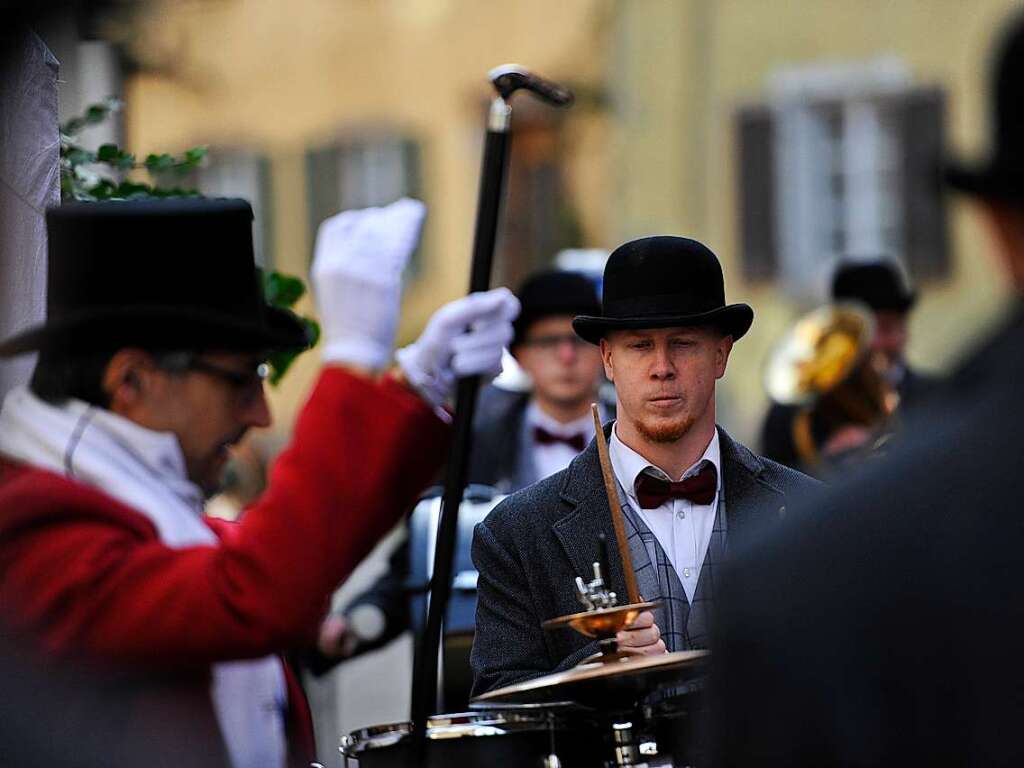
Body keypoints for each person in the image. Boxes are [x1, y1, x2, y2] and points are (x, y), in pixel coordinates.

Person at [0, 197, 518, 768]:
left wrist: (417, 385)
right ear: (131, 381)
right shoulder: (29, 524)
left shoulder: (111, 491)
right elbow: (255, 591)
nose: (261, 415)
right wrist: (349, 364)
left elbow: (286, 548)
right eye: (242, 381)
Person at [713, 13, 1024, 766]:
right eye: (869, 325)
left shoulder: (795, 588)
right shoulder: (801, 418)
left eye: (891, 324)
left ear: (994, 224)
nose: (882, 340)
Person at [470, 236, 820, 696]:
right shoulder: (516, 532)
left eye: (683, 343)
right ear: (608, 359)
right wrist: (594, 674)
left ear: (721, 355)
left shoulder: (810, 510)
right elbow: (498, 704)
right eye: (639, 346)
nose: (662, 367)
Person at [310, 269, 606, 708]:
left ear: (607, 354)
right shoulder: (477, 435)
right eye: (546, 341)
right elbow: (430, 547)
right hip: (509, 667)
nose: (565, 355)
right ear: (520, 355)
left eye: (578, 340)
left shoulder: (636, 428)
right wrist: (358, 622)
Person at [761, 258, 938, 474]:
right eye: (863, 332)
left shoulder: (938, 400)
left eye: (886, 327)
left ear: (904, 330)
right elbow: (770, 491)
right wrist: (827, 464)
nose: (874, 344)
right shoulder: (790, 417)